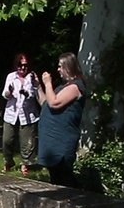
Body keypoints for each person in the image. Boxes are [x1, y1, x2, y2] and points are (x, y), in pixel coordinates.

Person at [36, 52, 87, 188]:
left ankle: (79, 202)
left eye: (60, 66)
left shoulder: (75, 87)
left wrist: (48, 83)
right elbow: (46, 103)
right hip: (52, 141)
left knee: (65, 177)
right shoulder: (62, 86)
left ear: (68, 67)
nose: (58, 69)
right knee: (56, 177)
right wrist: (39, 87)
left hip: (62, 140)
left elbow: (55, 103)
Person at [1, 53, 40, 176]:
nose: (22, 68)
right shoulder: (11, 77)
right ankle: (8, 162)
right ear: (16, 66)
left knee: (27, 141)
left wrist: (26, 93)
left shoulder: (32, 77)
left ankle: (25, 164)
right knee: (7, 140)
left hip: (28, 114)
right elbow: (5, 94)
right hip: (11, 113)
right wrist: (10, 93)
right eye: (20, 65)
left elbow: (35, 94)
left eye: (25, 65)